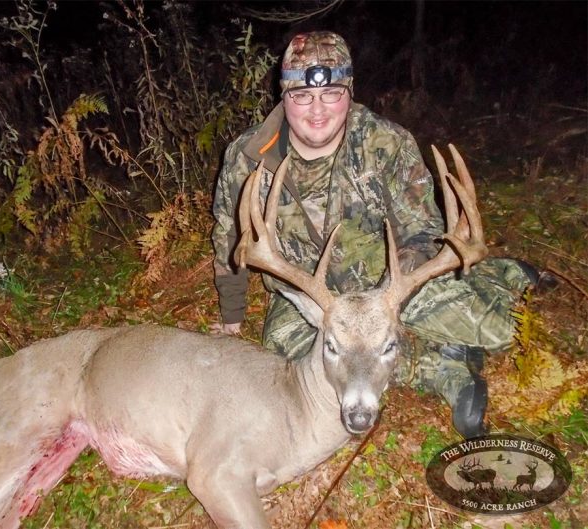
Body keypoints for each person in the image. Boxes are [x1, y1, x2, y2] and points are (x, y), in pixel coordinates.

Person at [210, 31, 553, 438]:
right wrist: (232, 316)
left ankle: (503, 273)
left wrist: (386, 296)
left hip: (385, 281)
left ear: (349, 93)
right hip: (308, 296)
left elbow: (425, 232)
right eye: (302, 95)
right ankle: (443, 369)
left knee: (499, 332)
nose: (317, 110)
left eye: (331, 93)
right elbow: (231, 239)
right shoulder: (247, 156)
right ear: (283, 95)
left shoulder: (386, 143)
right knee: (292, 355)